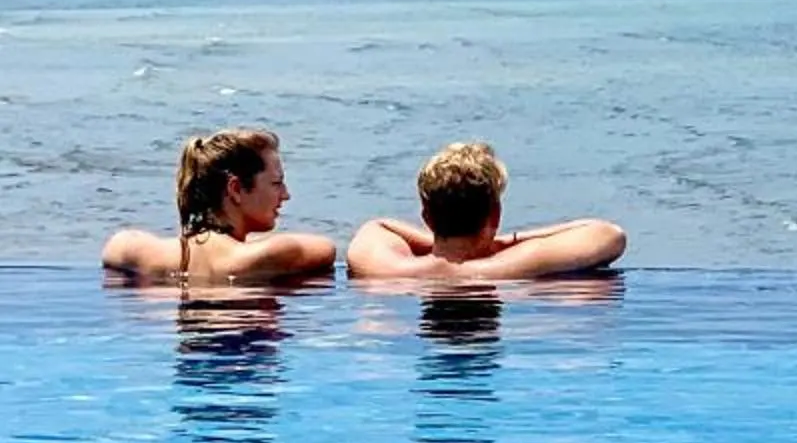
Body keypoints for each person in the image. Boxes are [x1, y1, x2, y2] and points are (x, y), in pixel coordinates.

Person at [346, 142, 627, 283]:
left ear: (427, 218)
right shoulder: (508, 268)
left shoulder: (390, 270)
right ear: (495, 216)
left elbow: (377, 226)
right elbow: (609, 235)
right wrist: (503, 243)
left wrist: (443, 244)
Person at [101, 126, 340, 286]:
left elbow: (120, 243)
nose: (286, 195)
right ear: (235, 189)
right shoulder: (259, 257)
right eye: (277, 183)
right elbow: (325, 249)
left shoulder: (152, 254)